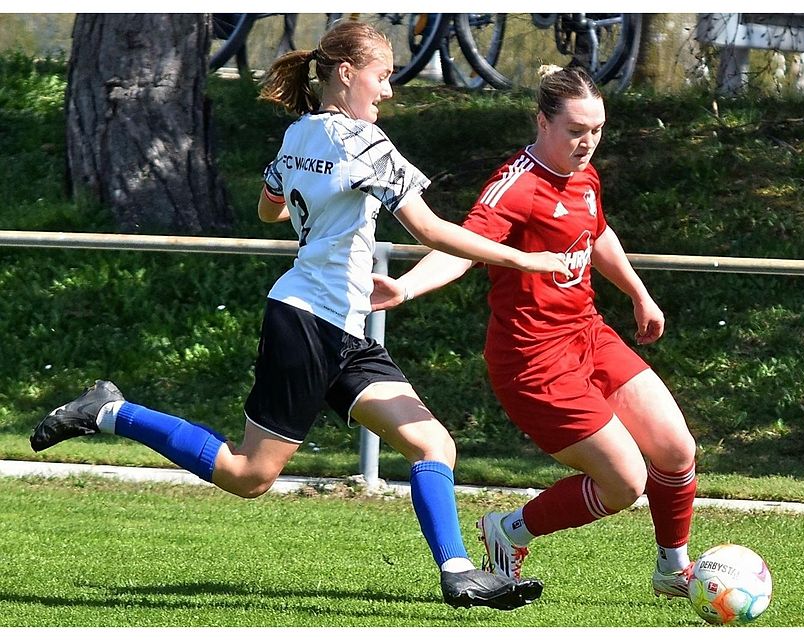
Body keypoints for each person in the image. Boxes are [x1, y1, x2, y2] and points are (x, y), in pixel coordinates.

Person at [30, 21, 572, 611]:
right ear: (347, 73)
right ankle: (110, 411)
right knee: (249, 475)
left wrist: (319, 206)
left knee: (433, 443)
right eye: (383, 76)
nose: (388, 91)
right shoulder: (365, 144)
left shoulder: (297, 136)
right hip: (306, 323)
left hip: (345, 328)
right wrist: (525, 257)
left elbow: (269, 209)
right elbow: (430, 229)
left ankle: (460, 572)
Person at [371, 65, 698, 599]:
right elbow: (460, 246)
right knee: (625, 483)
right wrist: (406, 288)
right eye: (575, 130)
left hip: (588, 334)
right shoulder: (515, 187)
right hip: (533, 360)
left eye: (596, 129)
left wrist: (638, 293)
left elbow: (597, 232)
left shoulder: (584, 172)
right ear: (542, 122)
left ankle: (672, 571)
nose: (587, 142)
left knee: (677, 450)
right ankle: (508, 530)